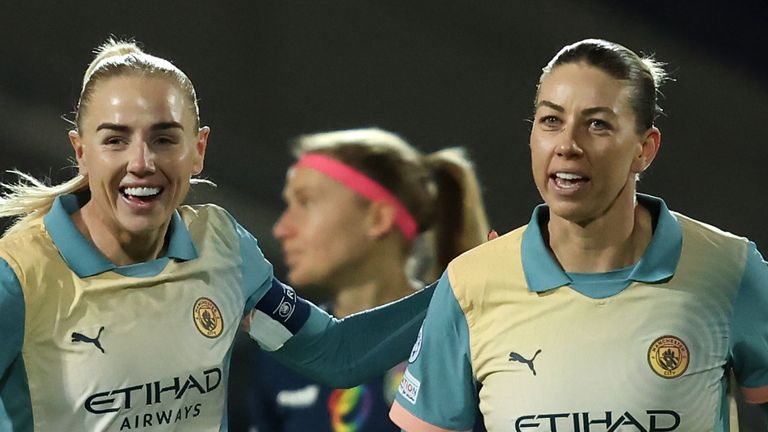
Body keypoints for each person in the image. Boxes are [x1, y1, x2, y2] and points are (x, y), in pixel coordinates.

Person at [0, 39, 434, 432]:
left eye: (164, 139)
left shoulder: (221, 245)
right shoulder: (19, 277)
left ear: (198, 150)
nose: (142, 162)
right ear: (81, 153)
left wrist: (457, 289)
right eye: (115, 140)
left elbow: (338, 354)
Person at [389, 38, 768, 431]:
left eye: (598, 124)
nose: (568, 145)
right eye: (551, 121)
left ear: (644, 149)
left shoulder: (729, 268)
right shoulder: (469, 284)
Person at [243, 128, 490, 431]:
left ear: (378, 218)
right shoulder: (285, 349)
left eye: (305, 202)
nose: (282, 228)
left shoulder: (463, 341)